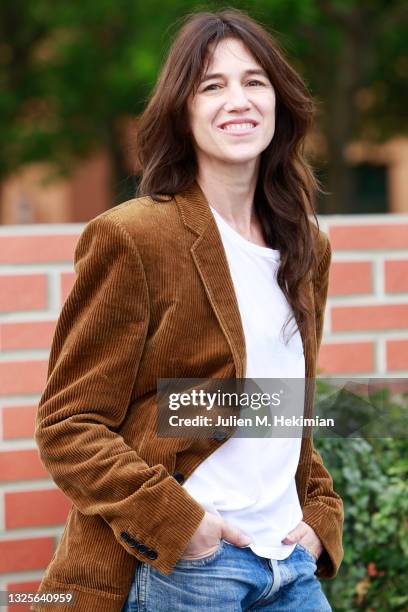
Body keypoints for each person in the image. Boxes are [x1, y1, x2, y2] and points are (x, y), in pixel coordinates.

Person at [33, 8, 343, 612]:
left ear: (279, 103)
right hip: (192, 570)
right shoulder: (136, 237)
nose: (239, 99)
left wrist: (319, 516)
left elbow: (276, 407)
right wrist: (181, 525)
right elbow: (68, 427)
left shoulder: (306, 247)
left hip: (288, 563)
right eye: (212, 85)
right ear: (183, 108)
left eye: (255, 81)